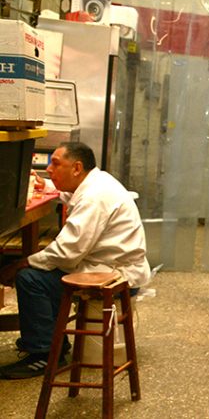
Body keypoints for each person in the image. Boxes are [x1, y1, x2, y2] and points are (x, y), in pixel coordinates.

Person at [0, 142, 150, 380]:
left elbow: (66, 253)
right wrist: (47, 186)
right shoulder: (96, 182)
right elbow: (70, 194)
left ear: (77, 167)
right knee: (39, 269)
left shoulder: (94, 197)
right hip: (111, 267)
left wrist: (22, 262)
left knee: (30, 278)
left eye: (56, 164)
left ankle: (43, 352)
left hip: (114, 276)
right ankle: (53, 342)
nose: (49, 169)